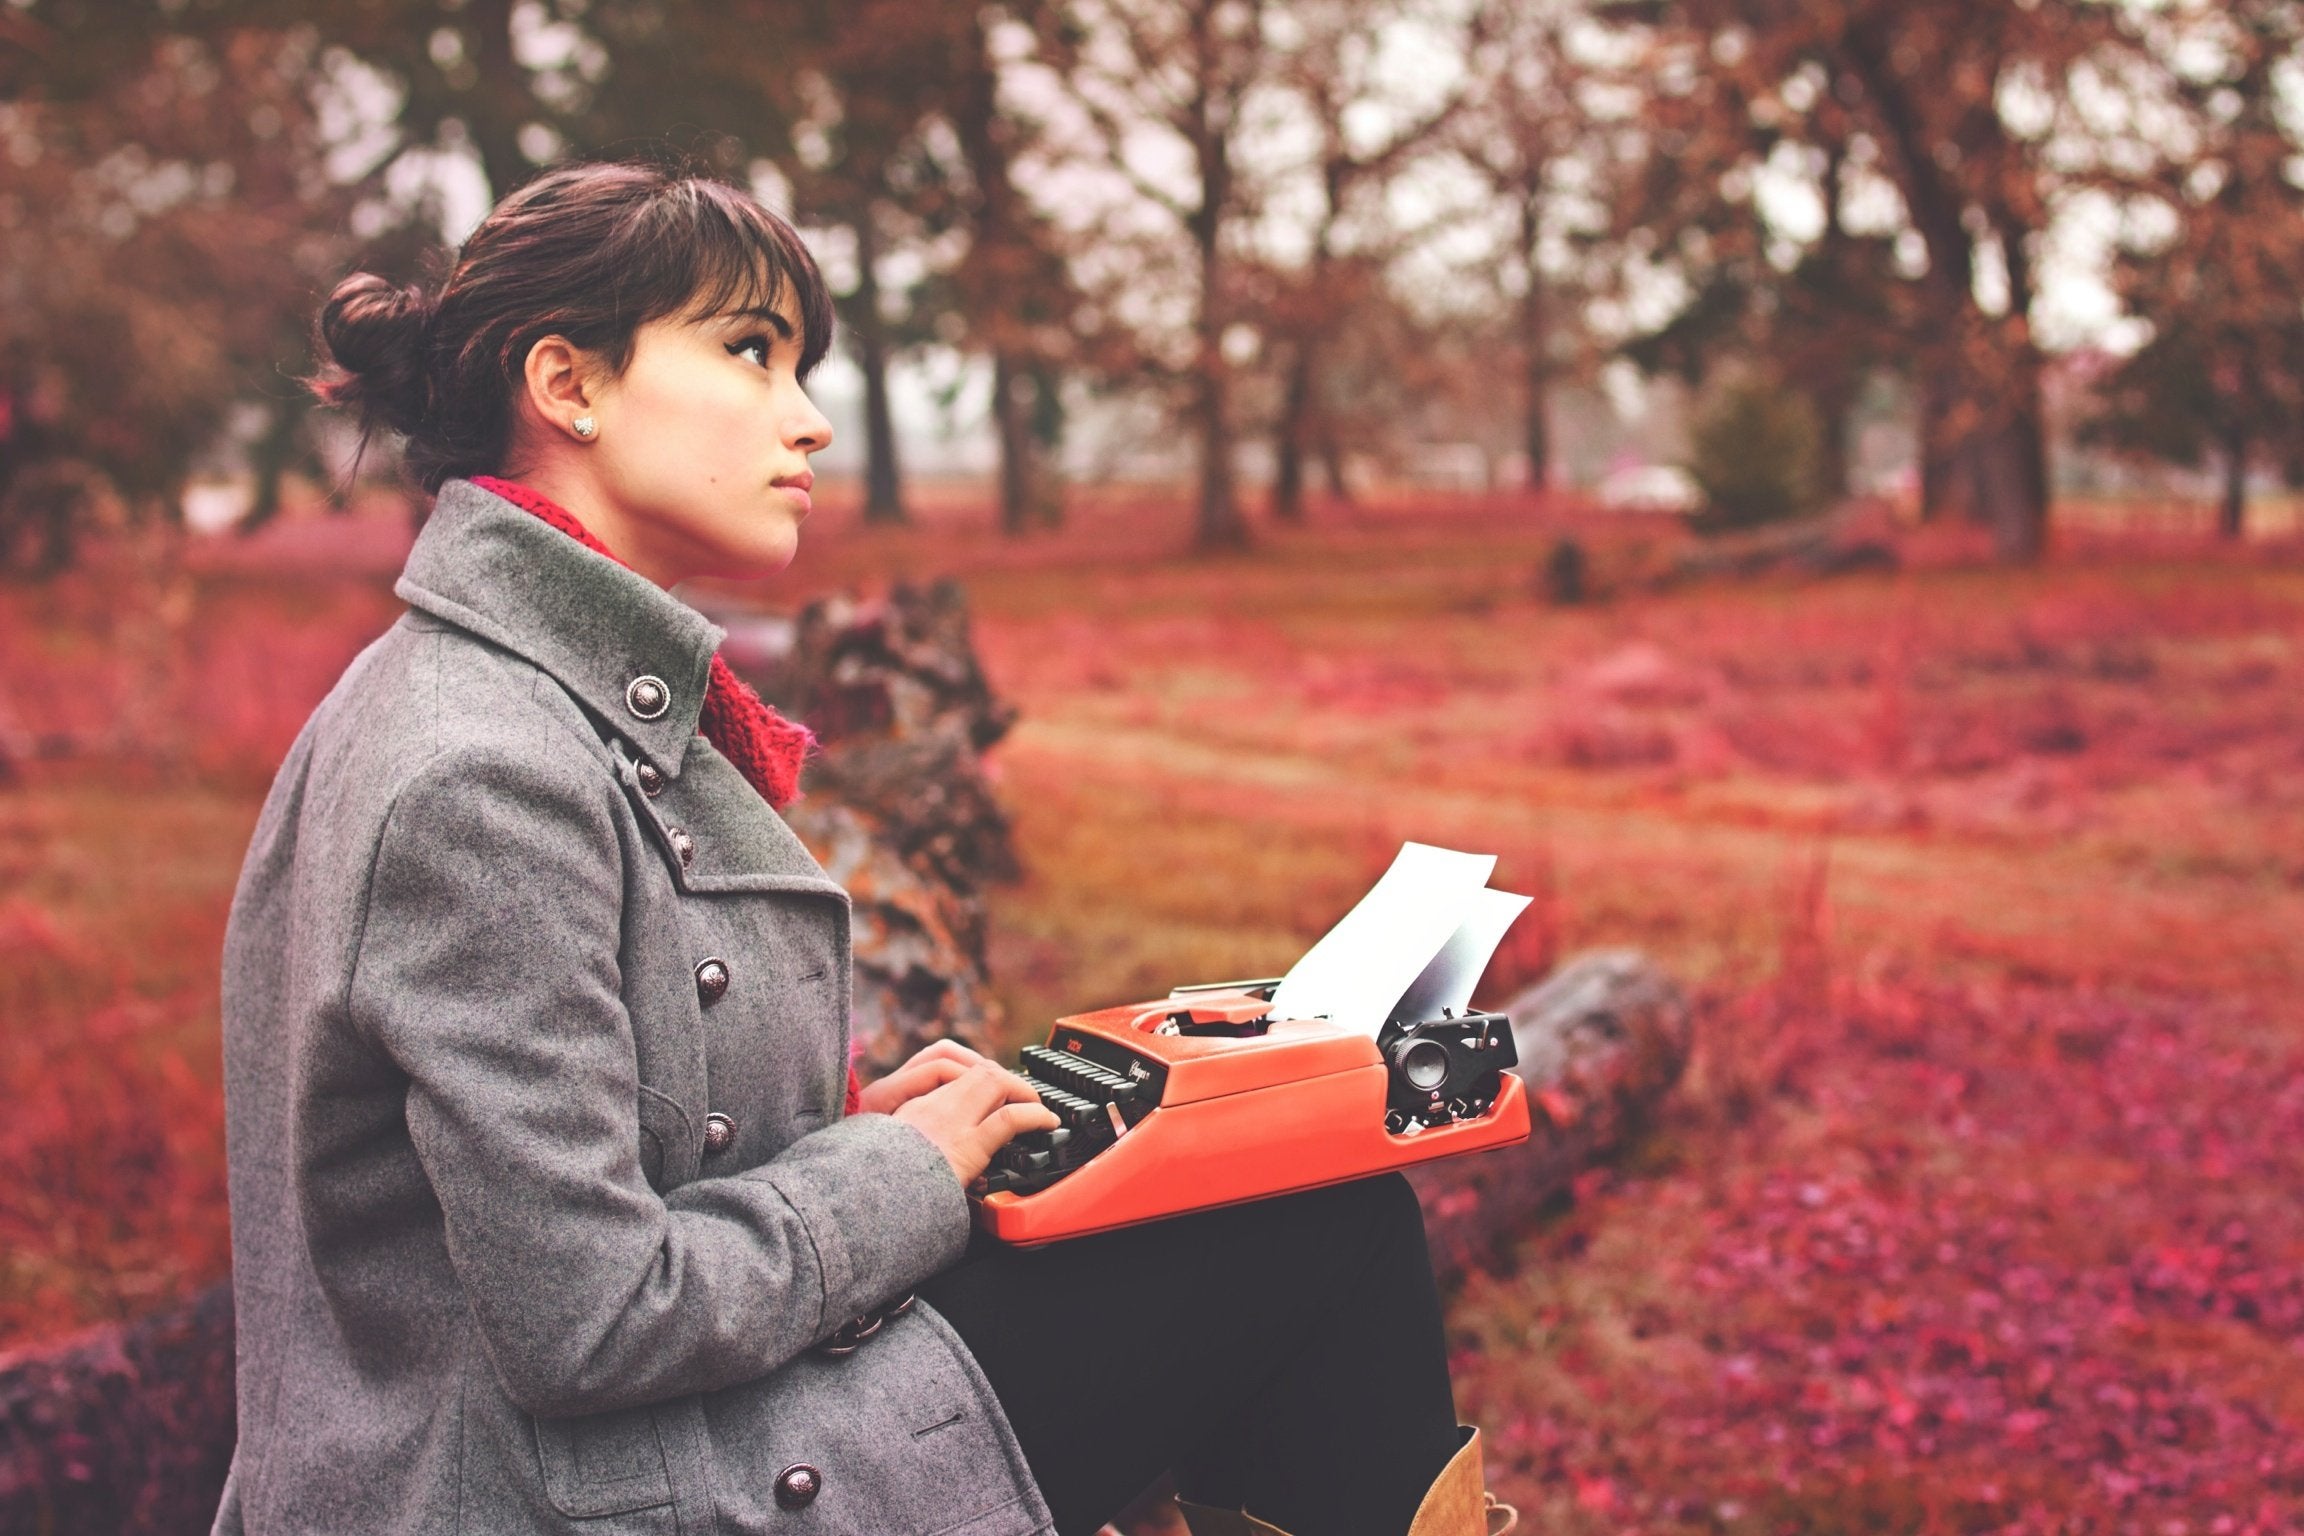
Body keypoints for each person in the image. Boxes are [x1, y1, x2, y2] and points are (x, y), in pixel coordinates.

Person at [214, 156, 1515, 1536]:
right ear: (569, 385)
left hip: (608, 1452)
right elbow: (590, 1318)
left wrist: (843, 1135)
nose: (812, 422)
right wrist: (897, 1172)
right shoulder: (484, 769)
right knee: (1322, 1231)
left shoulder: (499, 696)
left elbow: (596, 1159)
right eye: (752, 353)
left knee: (1289, 1202)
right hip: (570, 1494)